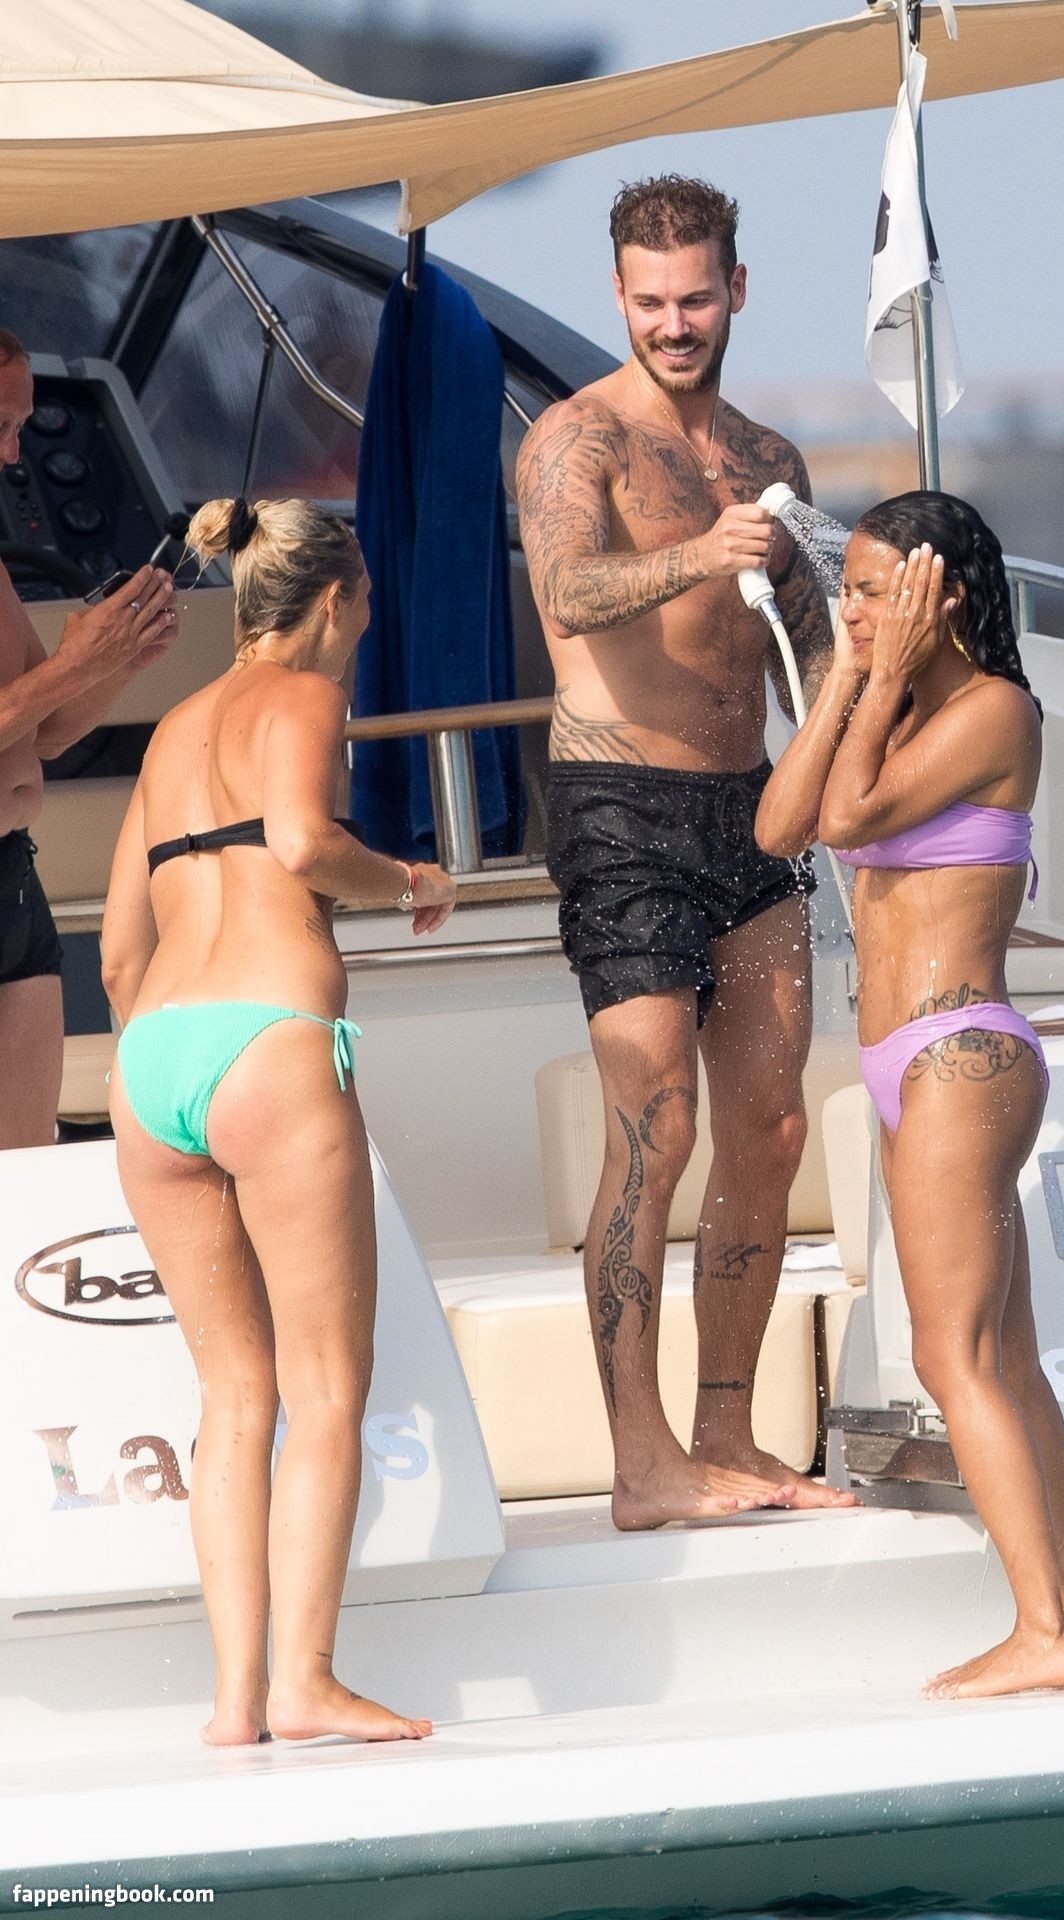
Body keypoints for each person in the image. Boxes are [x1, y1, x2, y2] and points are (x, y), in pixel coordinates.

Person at [516, 174, 856, 1530]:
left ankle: (729, 1432)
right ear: (618, 294)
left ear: (736, 292)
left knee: (770, 1129)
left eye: (696, 299)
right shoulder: (574, 438)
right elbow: (564, 590)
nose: (674, 323)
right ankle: (640, 1462)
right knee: (655, 1124)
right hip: (619, 806)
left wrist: (871, 713)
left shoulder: (774, 457)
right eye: (652, 301)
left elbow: (810, 646)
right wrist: (703, 553)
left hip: (749, 811)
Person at [101, 496, 456, 1745]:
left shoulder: (171, 731)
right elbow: (304, 843)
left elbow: (117, 951)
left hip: (153, 1064)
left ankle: (233, 1701)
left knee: (232, 1396)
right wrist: (408, 879)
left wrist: (173, 1055)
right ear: (336, 601)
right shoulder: (303, 697)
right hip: (267, 1042)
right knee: (326, 1386)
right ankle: (304, 1681)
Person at [756, 491, 1064, 1698]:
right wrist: (854, 682)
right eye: (845, 588)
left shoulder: (992, 711)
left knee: (949, 1354)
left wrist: (876, 679)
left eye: (871, 590)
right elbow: (781, 825)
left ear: (940, 596)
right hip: (909, 1063)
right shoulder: (891, 710)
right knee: (1004, 1357)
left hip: (960, 1050)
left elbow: (846, 814)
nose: (847, 608)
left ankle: (1045, 1631)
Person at [0, 327, 176, 1147]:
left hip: (13, 877)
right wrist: (75, 664)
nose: (13, 454)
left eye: (20, 427)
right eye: (1, 426)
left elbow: (46, 732)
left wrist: (119, 659)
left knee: (25, 1165)